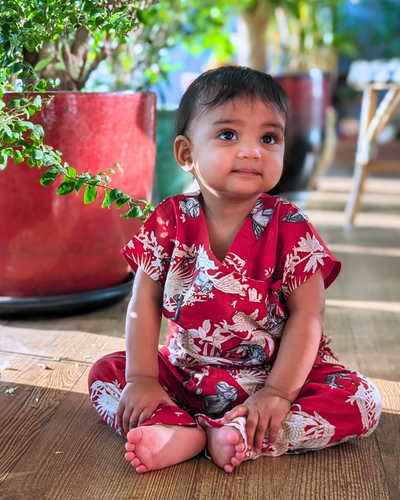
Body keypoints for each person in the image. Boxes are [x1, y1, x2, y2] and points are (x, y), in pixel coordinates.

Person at [88, 66, 381, 474]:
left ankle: (239, 432)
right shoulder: (168, 220)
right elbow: (143, 305)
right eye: (228, 134)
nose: (252, 151)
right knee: (106, 373)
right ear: (186, 154)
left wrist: (278, 393)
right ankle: (181, 428)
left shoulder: (290, 226)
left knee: (363, 399)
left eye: (269, 138)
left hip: (273, 374)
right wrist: (142, 379)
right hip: (186, 372)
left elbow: (308, 315)